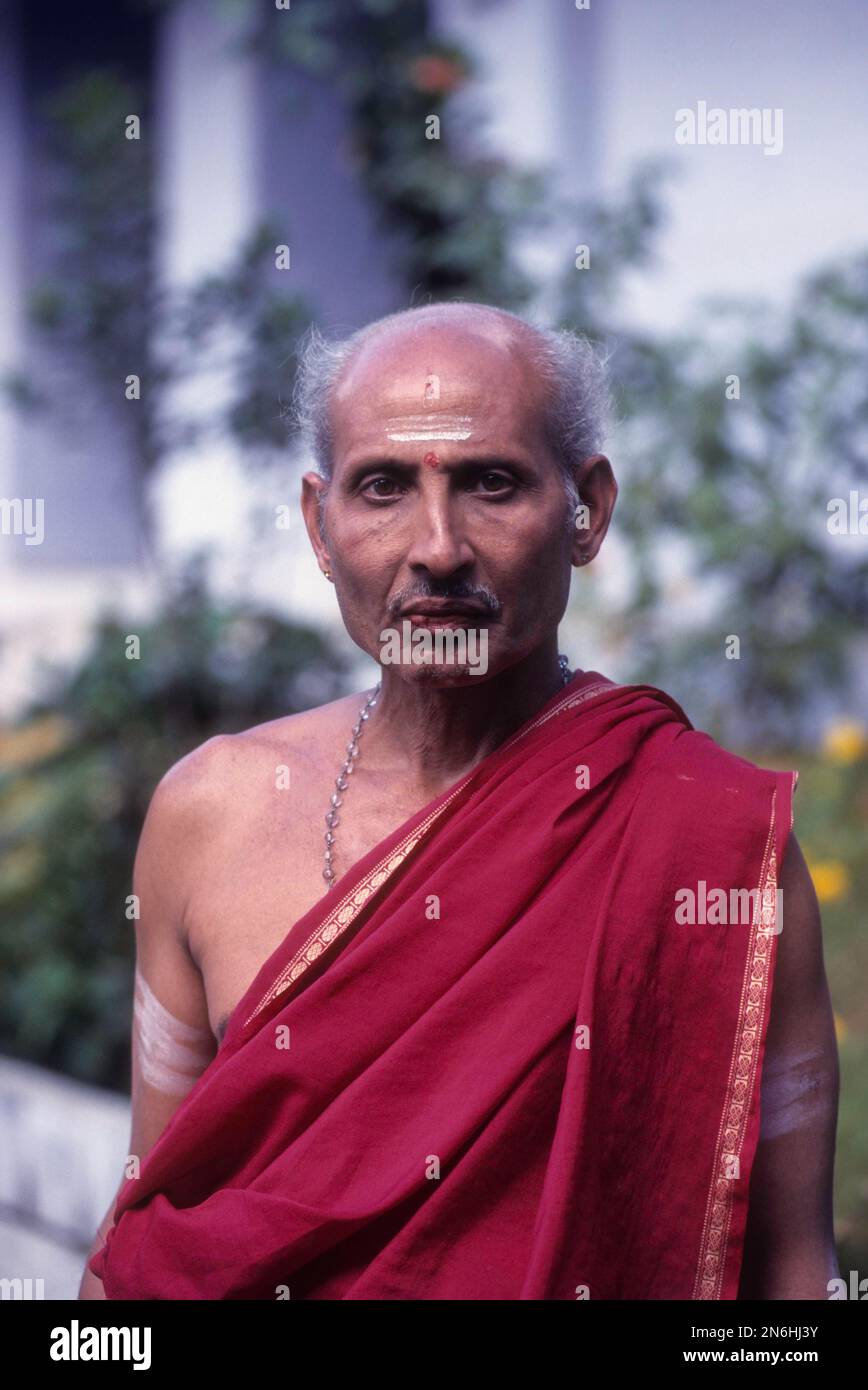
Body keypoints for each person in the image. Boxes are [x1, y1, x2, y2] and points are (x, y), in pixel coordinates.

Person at [80, 302, 839, 1300]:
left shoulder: (713, 837)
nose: (437, 546)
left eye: (491, 483)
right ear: (318, 524)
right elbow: (153, 1235)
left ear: (587, 510)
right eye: (383, 488)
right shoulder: (210, 816)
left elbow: (791, 1274)